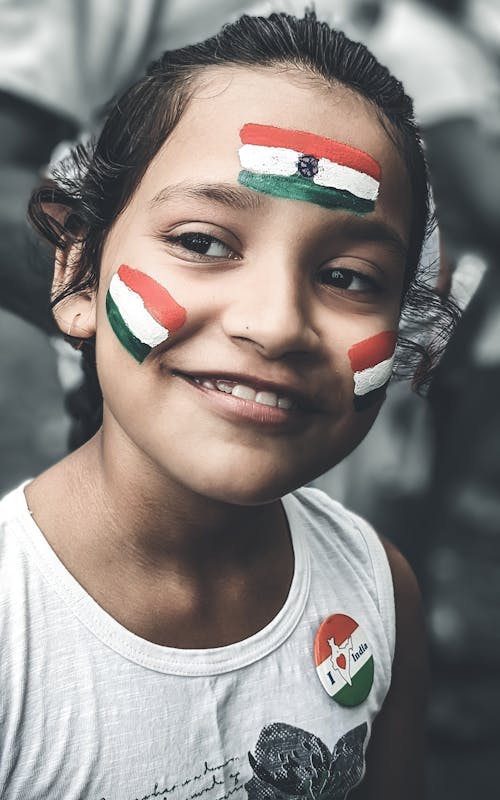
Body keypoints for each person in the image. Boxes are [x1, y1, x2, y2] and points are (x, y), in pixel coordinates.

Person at [0, 11, 448, 798]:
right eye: (204, 242)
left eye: (348, 277)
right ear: (77, 274)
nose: (275, 325)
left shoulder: (380, 591)